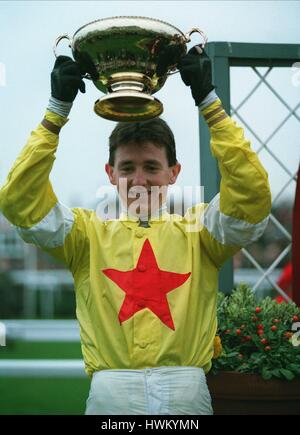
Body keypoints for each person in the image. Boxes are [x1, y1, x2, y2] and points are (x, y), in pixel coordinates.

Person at [0, 46, 271, 415]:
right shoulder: (84, 234)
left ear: (174, 173)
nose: (139, 179)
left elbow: (252, 199)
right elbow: (20, 201)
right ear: (110, 174)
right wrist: (56, 111)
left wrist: (209, 102)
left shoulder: (202, 231)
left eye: (151, 167)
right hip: (111, 395)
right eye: (127, 168)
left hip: (186, 393)